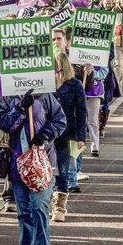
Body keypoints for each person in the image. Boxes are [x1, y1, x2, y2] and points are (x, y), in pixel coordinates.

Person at [0, 89, 67, 245]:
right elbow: (4, 124)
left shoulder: (46, 96)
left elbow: (60, 120)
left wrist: (46, 134)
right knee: (24, 212)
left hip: (41, 162)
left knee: (39, 207)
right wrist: (20, 108)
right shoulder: (8, 97)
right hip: (18, 162)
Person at [52, 52, 87, 221]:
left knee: (63, 170)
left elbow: (81, 112)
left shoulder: (75, 85)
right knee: (47, 170)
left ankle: (60, 207)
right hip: (46, 134)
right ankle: (48, 201)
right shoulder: (46, 84)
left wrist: (81, 136)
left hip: (66, 134)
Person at [81, 63, 109, 157]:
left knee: (93, 121)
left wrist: (92, 72)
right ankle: (80, 145)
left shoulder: (101, 56)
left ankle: (95, 146)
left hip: (95, 91)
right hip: (80, 89)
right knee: (80, 120)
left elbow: (104, 72)